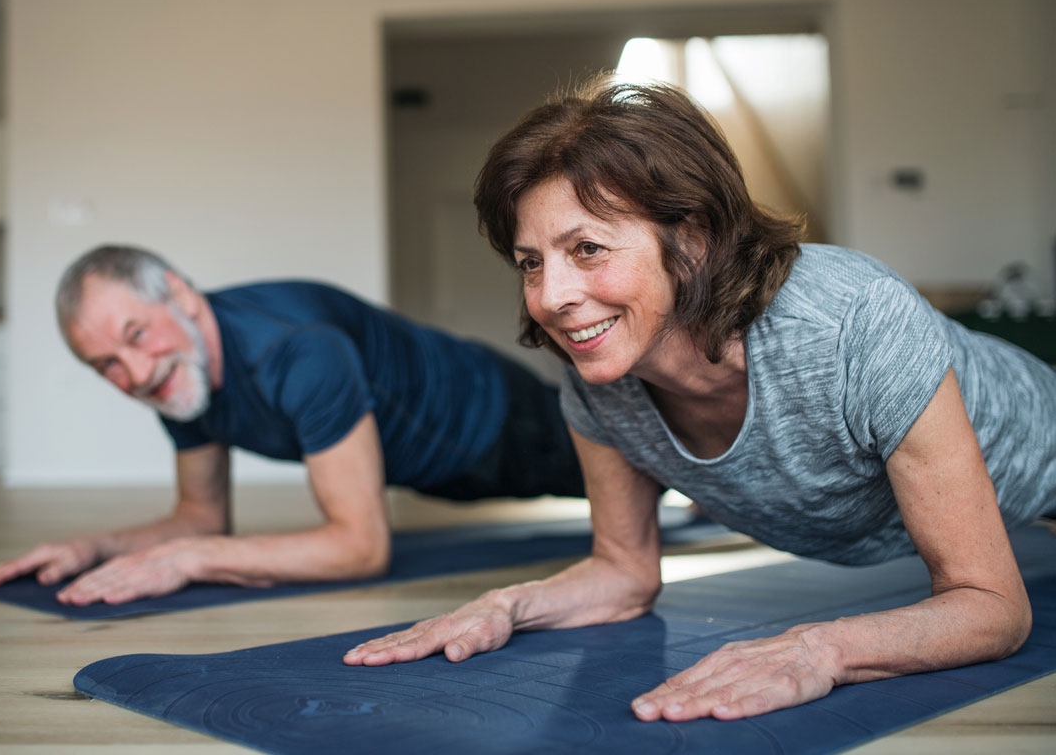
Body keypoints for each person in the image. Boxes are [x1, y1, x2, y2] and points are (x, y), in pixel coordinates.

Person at [344, 80, 1056, 722]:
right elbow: (622, 574)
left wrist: (815, 651)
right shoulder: (598, 376)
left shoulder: (855, 323)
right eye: (532, 262)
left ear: (692, 240)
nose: (550, 297)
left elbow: (990, 607)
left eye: (586, 248)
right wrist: (504, 607)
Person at [0, 245, 583, 604]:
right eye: (108, 365)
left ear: (179, 297)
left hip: (496, 420)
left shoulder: (295, 351)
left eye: (136, 335)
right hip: (433, 465)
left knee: (644, 463)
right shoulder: (179, 376)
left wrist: (191, 561)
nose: (135, 373)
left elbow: (361, 548)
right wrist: (90, 548)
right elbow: (200, 518)